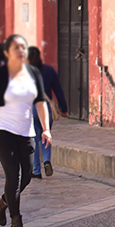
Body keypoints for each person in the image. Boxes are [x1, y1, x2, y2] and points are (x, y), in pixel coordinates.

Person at [0, 34, 51, 227]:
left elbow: (41, 103)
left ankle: (3, 202)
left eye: (23, 47)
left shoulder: (33, 73)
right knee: (13, 175)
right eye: (16, 47)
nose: (20, 51)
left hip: (26, 132)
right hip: (2, 131)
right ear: (7, 52)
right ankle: (17, 222)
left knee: (26, 176)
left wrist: (46, 128)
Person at [27, 46, 68, 178]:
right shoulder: (49, 70)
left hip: (32, 107)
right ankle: (46, 160)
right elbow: (58, 90)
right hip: (47, 107)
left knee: (35, 137)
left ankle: (36, 171)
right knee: (46, 134)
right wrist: (64, 108)